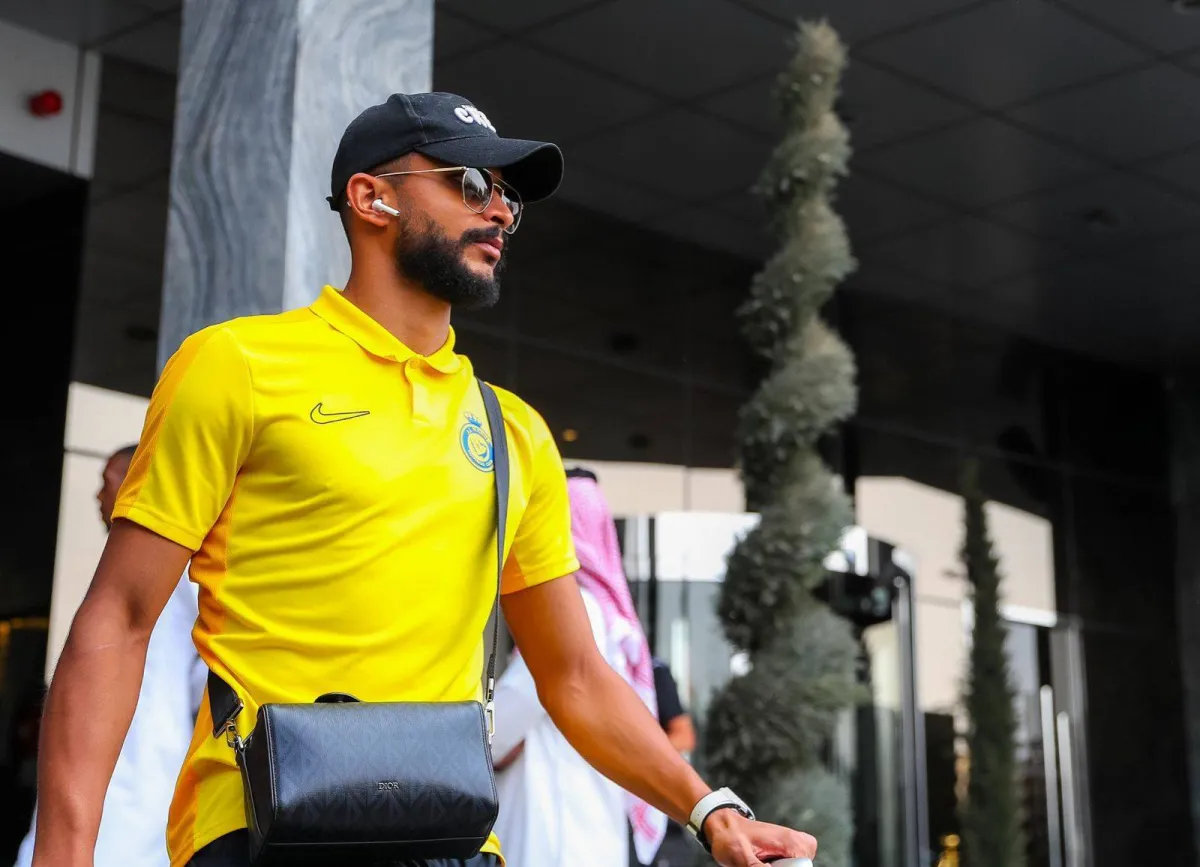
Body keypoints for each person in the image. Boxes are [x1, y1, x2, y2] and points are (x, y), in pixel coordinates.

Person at [30, 92, 817, 867]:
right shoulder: (236, 366)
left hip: (453, 836)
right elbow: (119, 619)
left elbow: (574, 675)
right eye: (470, 183)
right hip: (264, 825)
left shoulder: (515, 433)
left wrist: (712, 811)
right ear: (371, 197)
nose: (500, 211)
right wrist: (64, 851)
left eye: (508, 197)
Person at [14, 445, 205, 867]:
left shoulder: (174, 564)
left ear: (135, 481)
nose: (99, 496)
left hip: (146, 760)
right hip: (127, 753)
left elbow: (207, 665)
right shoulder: (128, 565)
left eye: (108, 482)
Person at [492, 472, 667, 867]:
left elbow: (506, 719)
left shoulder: (578, 609)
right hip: (586, 824)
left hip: (555, 829)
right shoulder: (604, 612)